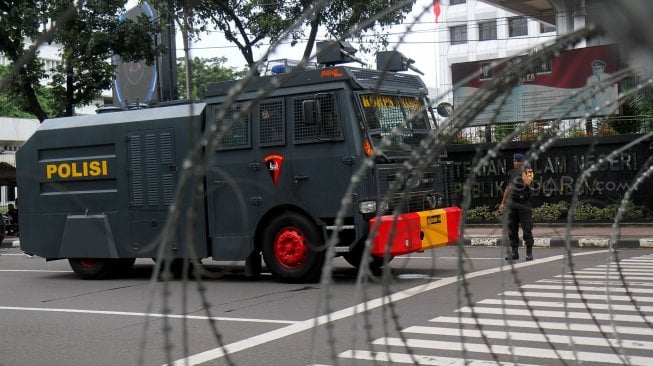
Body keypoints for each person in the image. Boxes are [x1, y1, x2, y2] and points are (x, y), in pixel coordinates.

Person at [499, 153, 534, 261]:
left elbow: (528, 183)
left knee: (527, 229)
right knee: (512, 229)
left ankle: (529, 252)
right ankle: (514, 252)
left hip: (524, 204)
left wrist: (523, 171)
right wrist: (503, 203)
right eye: (514, 161)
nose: (515, 163)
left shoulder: (529, 171)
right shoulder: (511, 173)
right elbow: (508, 188)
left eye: (517, 161)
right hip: (512, 204)